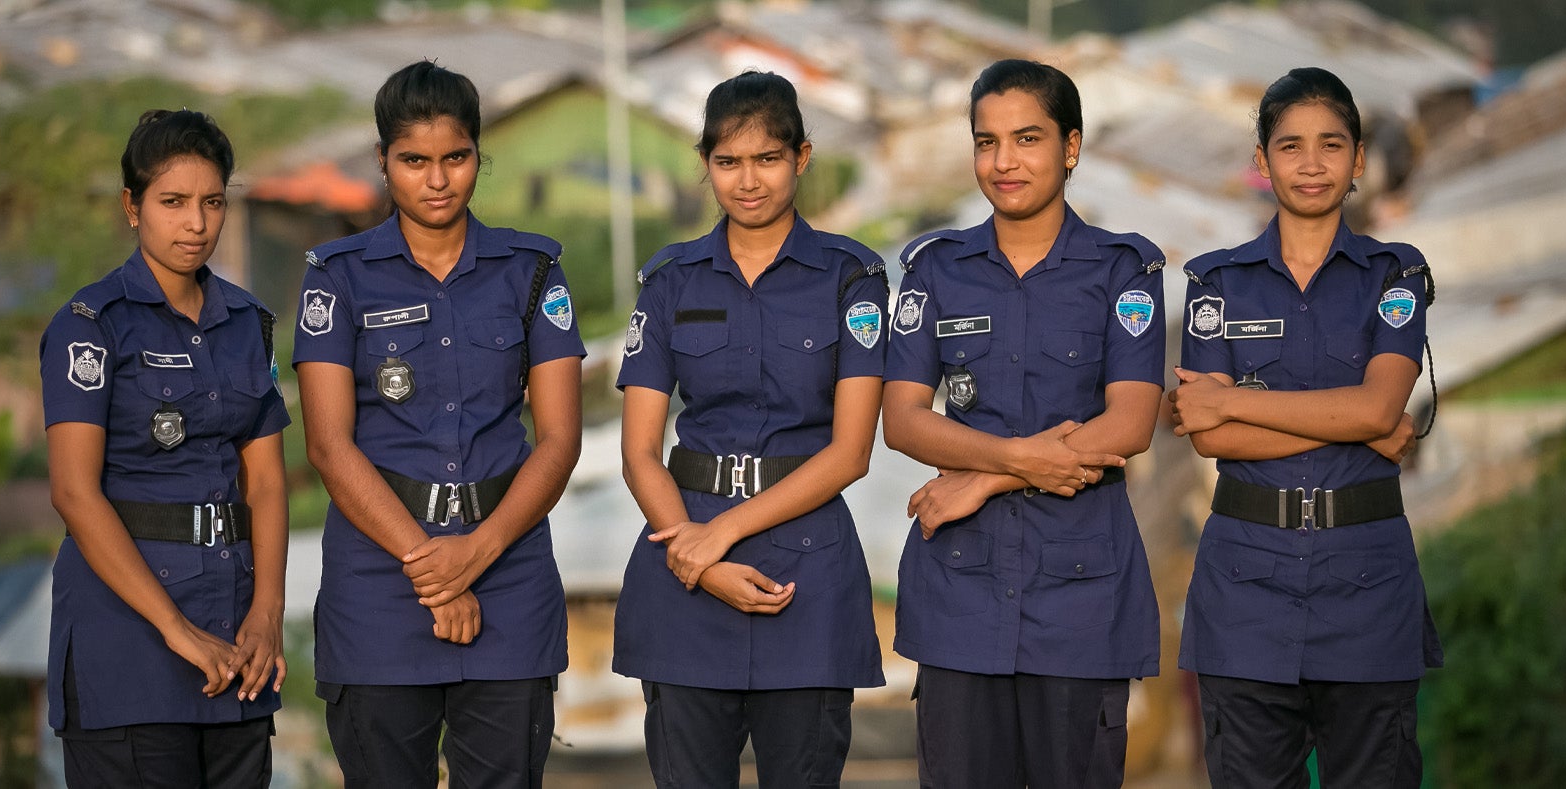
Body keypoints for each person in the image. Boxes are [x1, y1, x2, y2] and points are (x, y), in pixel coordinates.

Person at [292, 60, 583, 789]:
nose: (437, 179)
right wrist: (436, 571)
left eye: (454, 158)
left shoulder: (533, 270)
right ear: (383, 162)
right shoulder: (337, 276)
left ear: (477, 155)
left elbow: (559, 440)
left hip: (508, 566)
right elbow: (328, 445)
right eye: (413, 160)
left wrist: (476, 553)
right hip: (380, 580)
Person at [881, 59, 1165, 787]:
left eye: (1026, 138)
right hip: (960, 595)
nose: (1003, 161)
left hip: (1080, 597)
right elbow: (903, 420)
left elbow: (1131, 420)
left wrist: (981, 477)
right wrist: (1021, 459)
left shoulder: (1121, 272)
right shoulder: (934, 270)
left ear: (1070, 147)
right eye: (986, 141)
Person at [612, 70, 887, 788]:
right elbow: (640, 450)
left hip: (806, 568)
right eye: (727, 161)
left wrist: (719, 538)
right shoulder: (671, 280)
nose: (748, 181)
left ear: (801, 157)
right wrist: (693, 554)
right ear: (704, 165)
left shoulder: (850, 278)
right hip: (683, 562)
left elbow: (851, 451)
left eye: (767, 158)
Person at [1171, 66, 1440, 787]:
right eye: (1289, 146)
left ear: (1358, 160)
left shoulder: (1394, 274)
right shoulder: (1214, 283)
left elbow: (1379, 409)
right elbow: (1208, 433)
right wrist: (1353, 420)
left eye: (1331, 144)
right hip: (1244, 590)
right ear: (1261, 163)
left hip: (1366, 584)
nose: (1311, 163)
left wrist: (1236, 399)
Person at [40, 109, 290, 787]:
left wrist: (267, 614)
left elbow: (265, 481)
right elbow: (72, 490)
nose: (196, 223)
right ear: (132, 206)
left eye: (212, 202)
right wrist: (175, 629)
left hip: (237, 645)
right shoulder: (90, 326)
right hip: (132, 651)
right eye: (172, 202)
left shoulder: (245, 323)